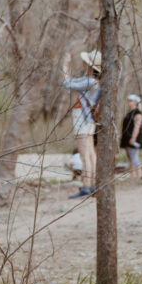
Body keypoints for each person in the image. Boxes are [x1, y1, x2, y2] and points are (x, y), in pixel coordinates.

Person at [61, 49, 101, 199]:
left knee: (85, 155)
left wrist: (65, 65)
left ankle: (87, 186)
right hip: (89, 120)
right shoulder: (94, 82)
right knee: (90, 154)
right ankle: (91, 184)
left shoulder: (89, 81)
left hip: (82, 119)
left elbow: (67, 83)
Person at [120, 95, 142, 178]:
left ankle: (139, 174)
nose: (129, 103)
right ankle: (132, 175)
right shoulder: (129, 113)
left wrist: (133, 138)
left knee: (134, 157)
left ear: (136, 102)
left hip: (133, 139)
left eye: (131, 101)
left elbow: (137, 126)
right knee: (130, 157)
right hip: (126, 138)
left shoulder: (138, 113)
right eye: (128, 101)